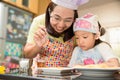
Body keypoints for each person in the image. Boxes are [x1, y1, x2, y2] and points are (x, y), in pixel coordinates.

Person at [23, 0, 89, 75]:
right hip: (40, 75)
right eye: (57, 18)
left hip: (66, 76)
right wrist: (38, 45)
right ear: (49, 12)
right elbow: (27, 54)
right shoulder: (40, 21)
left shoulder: (76, 26)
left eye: (68, 20)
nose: (61, 25)